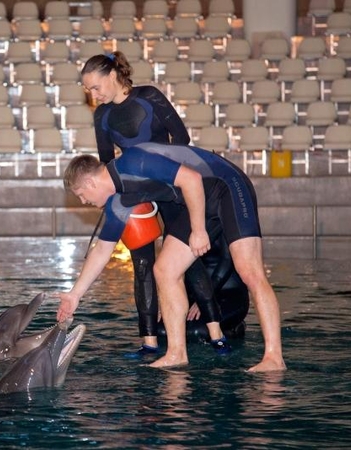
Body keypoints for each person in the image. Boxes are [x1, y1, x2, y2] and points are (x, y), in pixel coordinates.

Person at [57, 149, 286, 372]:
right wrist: (74, 295)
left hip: (227, 185)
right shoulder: (118, 202)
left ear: (89, 183)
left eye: (81, 195)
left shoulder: (133, 161)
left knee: (249, 272)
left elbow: (191, 178)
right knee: (165, 270)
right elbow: (102, 250)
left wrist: (198, 231)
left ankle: (274, 357)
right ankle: (176, 354)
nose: (84, 201)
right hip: (197, 200)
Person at [80, 51, 231, 356]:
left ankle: (216, 332)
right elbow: (108, 162)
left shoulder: (149, 97)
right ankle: (149, 341)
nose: (93, 95)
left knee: (190, 257)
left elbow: (182, 138)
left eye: (96, 88)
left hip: (171, 184)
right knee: (143, 265)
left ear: (112, 76)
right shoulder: (102, 116)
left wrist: (156, 168)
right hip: (136, 192)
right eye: (88, 92)